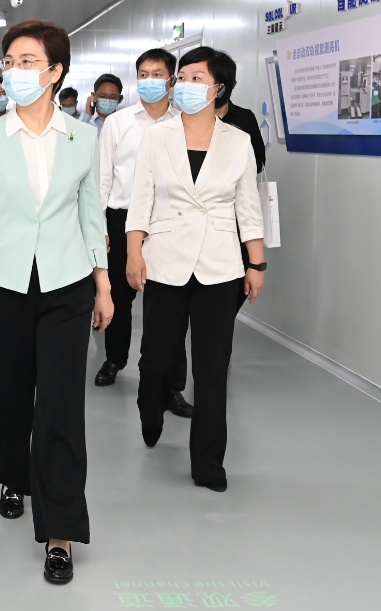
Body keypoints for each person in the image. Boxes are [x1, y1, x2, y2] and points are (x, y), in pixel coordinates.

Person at [0, 19, 113, 584]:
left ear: (55, 71)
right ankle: (14, 476)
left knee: (61, 405)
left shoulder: (83, 137)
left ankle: (59, 530)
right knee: (7, 393)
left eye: (27, 61)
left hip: (67, 283)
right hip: (5, 282)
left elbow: (91, 214)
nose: (14, 71)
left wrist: (103, 285)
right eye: (9, 61)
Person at [125, 46, 265, 493]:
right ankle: (151, 407)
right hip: (165, 260)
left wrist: (257, 262)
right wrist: (134, 252)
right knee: (157, 358)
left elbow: (248, 207)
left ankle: (208, 464)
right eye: (181, 77)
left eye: (195, 78)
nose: (184, 85)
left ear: (217, 88)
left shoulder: (238, 141)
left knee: (211, 368)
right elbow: (141, 199)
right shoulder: (157, 137)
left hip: (219, 267)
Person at [93, 48, 192, 417]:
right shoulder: (118, 123)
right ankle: (114, 359)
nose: (149, 81)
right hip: (121, 221)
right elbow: (103, 177)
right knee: (119, 297)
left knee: (170, 306)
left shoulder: (184, 122)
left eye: (157, 74)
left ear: (172, 80)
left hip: (166, 223)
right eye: (143, 74)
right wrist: (99, 226)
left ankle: (172, 384)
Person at [211, 59, 267, 311]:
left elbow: (258, 160)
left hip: (236, 211)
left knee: (234, 287)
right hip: (206, 211)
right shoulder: (188, 121)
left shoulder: (244, 118)